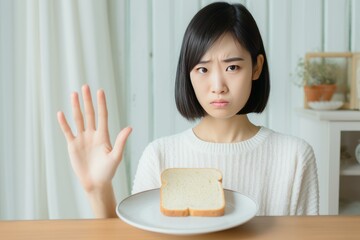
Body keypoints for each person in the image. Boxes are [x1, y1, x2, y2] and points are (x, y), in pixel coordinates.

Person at [57, 2, 319, 218]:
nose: (218, 86)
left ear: (257, 67)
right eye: (202, 69)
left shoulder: (294, 157)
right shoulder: (160, 156)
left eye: (232, 67)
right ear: (188, 73)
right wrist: (98, 189)